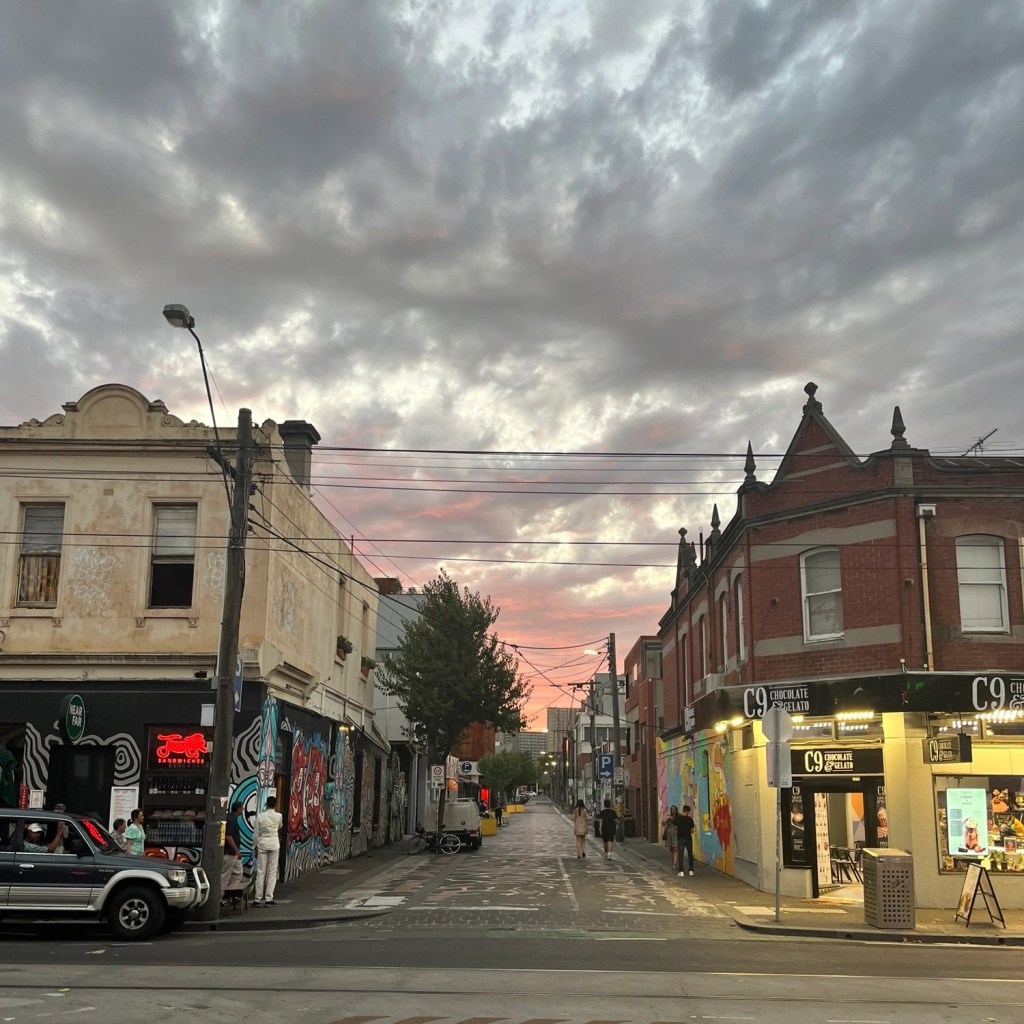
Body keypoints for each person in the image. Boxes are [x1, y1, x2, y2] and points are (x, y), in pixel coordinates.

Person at [253, 795, 284, 906]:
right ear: (275, 805)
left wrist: (254, 846)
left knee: (261, 871)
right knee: (272, 872)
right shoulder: (279, 816)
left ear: (266, 804)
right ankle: (269, 898)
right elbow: (280, 826)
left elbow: (256, 833)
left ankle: (257, 898)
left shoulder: (260, 816)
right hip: (274, 843)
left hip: (262, 844)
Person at [221, 801, 244, 899]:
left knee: (238, 872)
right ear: (238, 809)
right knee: (225, 876)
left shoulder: (232, 819)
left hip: (233, 853)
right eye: (242, 808)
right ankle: (221, 897)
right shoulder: (231, 820)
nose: (243, 810)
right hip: (230, 853)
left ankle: (230, 894)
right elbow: (228, 836)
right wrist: (236, 850)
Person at [677, 804, 696, 876]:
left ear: (683, 810)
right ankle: (691, 870)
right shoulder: (690, 819)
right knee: (690, 855)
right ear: (688, 811)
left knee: (681, 855)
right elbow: (692, 830)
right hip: (688, 839)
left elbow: (675, 826)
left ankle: (681, 871)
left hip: (680, 838)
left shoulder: (678, 818)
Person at [662, 805, 680, 872]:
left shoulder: (678, 817)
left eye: (674, 809)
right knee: (671, 849)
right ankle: (673, 863)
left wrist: (672, 818)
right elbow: (663, 824)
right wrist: (666, 819)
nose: (673, 810)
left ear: (676, 809)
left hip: (676, 834)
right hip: (669, 835)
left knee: (675, 848)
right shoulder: (668, 817)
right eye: (672, 809)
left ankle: (675, 864)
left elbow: (678, 823)